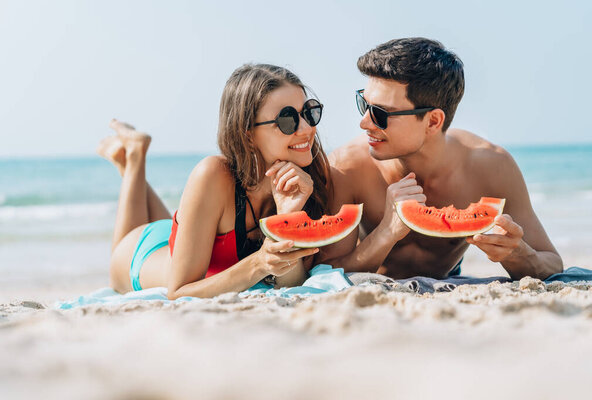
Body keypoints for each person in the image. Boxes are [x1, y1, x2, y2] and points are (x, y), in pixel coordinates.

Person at [320, 38, 562, 280]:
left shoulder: (492, 167)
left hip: (449, 278)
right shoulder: (347, 167)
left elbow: (552, 264)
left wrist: (518, 254)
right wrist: (386, 232)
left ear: (433, 121)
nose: (364, 123)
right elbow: (327, 272)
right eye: (364, 103)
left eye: (381, 114)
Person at [97, 64, 329, 299]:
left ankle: (130, 160)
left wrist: (285, 220)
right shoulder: (214, 174)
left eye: (309, 112)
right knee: (119, 253)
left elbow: (291, 285)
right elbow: (177, 293)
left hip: (186, 237)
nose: (307, 128)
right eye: (287, 119)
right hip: (141, 255)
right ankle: (135, 158)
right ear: (248, 134)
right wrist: (258, 264)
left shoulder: (309, 180)